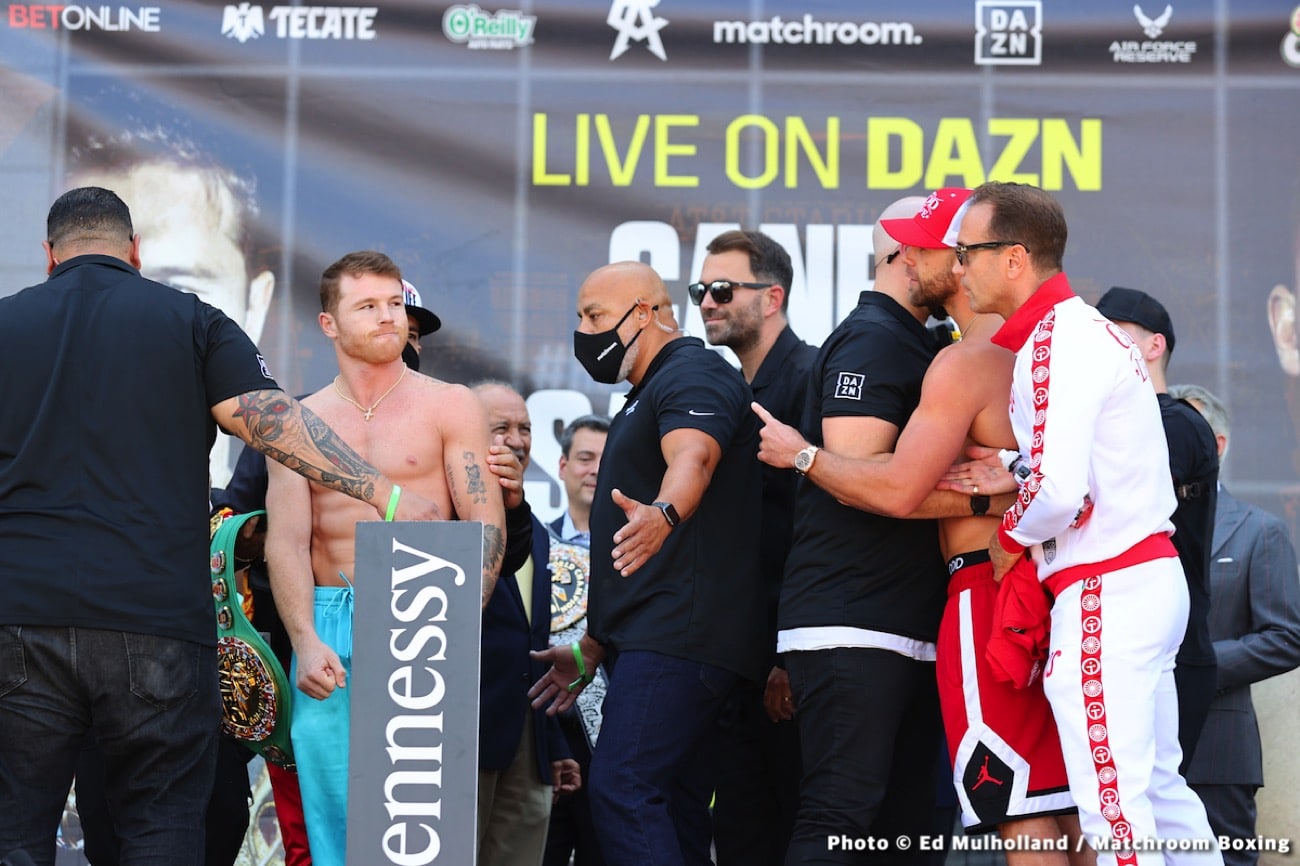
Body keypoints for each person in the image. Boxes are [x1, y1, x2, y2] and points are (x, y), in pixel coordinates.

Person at [0, 188, 438, 866]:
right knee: (163, 826)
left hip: (19, 617)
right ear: (135, 252)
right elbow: (273, 424)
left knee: (13, 831)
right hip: (155, 625)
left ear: (50, 254)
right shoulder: (192, 320)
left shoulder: (5, 323)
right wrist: (384, 496)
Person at [753, 188, 1088, 862]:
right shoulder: (1036, 347)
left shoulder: (971, 355)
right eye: (947, 245)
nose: (954, 258)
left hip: (983, 598)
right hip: (924, 607)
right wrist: (1016, 491)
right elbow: (870, 482)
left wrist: (804, 455)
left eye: (965, 247)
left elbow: (892, 486)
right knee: (1046, 803)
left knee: (1014, 806)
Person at [950, 180, 1220, 865]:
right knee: (1158, 793)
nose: (957, 267)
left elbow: (1062, 491)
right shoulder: (1077, 332)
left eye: (966, 252)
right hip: (1141, 578)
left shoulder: (1055, 338)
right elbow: (1079, 464)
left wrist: (1009, 537)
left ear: (1013, 259)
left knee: (1115, 808)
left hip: (1108, 587)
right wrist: (1019, 468)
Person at [264, 250, 509, 866]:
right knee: (335, 826)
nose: (387, 317)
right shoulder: (296, 420)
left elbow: (485, 522)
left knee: (423, 830)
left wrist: (453, 621)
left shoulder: (451, 404)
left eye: (394, 304)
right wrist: (305, 638)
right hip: (328, 622)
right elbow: (287, 541)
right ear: (328, 323)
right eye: (367, 306)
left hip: (425, 615)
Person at [528, 261, 764, 866]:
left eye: (595, 316)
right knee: (675, 802)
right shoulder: (645, 393)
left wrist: (663, 512)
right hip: (662, 636)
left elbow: (695, 455)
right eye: (580, 316)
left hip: (681, 637)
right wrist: (595, 644)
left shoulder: (694, 370)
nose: (583, 331)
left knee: (623, 786)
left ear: (646, 313)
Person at [771, 193, 953, 866]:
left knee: (906, 826)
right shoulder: (872, 336)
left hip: (903, 620)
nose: (963, 268)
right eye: (951, 254)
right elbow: (861, 469)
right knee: (840, 818)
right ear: (909, 258)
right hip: (852, 619)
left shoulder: (921, 340)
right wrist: (982, 503)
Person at [692, 229, 815, 866]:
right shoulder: (728, 389)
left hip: (787, 669)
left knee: (786, 834)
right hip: (736, 665)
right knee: (739, 836)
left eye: (721, 289)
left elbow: (812, 535)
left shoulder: (810, 378)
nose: (706, 303)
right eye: (699, 291)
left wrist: (786, 658)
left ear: (772, 297)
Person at [65, 126, 276, 488]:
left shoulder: (282, 496)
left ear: (255, 305)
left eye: (176, 288)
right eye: (94, 280)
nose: (128, 311)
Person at [1169, 384, 1300, 866]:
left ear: (1216, 446)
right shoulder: (1133, 527)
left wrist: (1196, 666)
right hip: (1134, 748)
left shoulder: (1259, 529)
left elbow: (1288, 637)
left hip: (1217, 753)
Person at [1095, 287, 1219, 770]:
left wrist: (1012, 471)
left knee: (1146, 796)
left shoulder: (1176, 422)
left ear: (1155, 346)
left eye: (1116, 334)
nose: (1100, 346)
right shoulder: (1102, 426)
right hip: (1119, 640)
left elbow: (1116, 493)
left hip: (1171, 649)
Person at [473, 381, 580, 866]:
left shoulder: (534, 529)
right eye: (502, 428)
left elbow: (532, 644)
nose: (518, 440)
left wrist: (550, 744)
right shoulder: (438, 515)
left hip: (527, 749)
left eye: (526, 428)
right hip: (459, 741)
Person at [544, 415, 610, 866]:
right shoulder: (530, 544)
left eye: (607, 461)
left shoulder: (638, 547)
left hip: (612, 733)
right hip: (545, 728)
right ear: (563, 465)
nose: (595, 471)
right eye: (585, 459)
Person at [402, 278, 441, 372]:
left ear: (418, 349)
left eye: (410, 336)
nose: (401, 342)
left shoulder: (437, 386)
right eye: (392, 332)